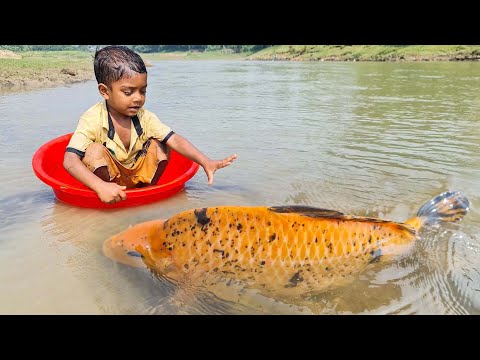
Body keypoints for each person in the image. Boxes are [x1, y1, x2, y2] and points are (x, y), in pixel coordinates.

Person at [63, 45, 237, 205]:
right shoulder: (91, 119)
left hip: (140, 177)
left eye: (143, 91)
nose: (138, 98)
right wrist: (99, 186)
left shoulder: (145, 117)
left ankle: (147, 193)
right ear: (105, 91)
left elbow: (175, 140)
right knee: (93, 151)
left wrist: (205, 162)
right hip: (108, 182)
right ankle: (110, 193)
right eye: (128, 92)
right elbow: (70, 161)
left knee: (161, 142)